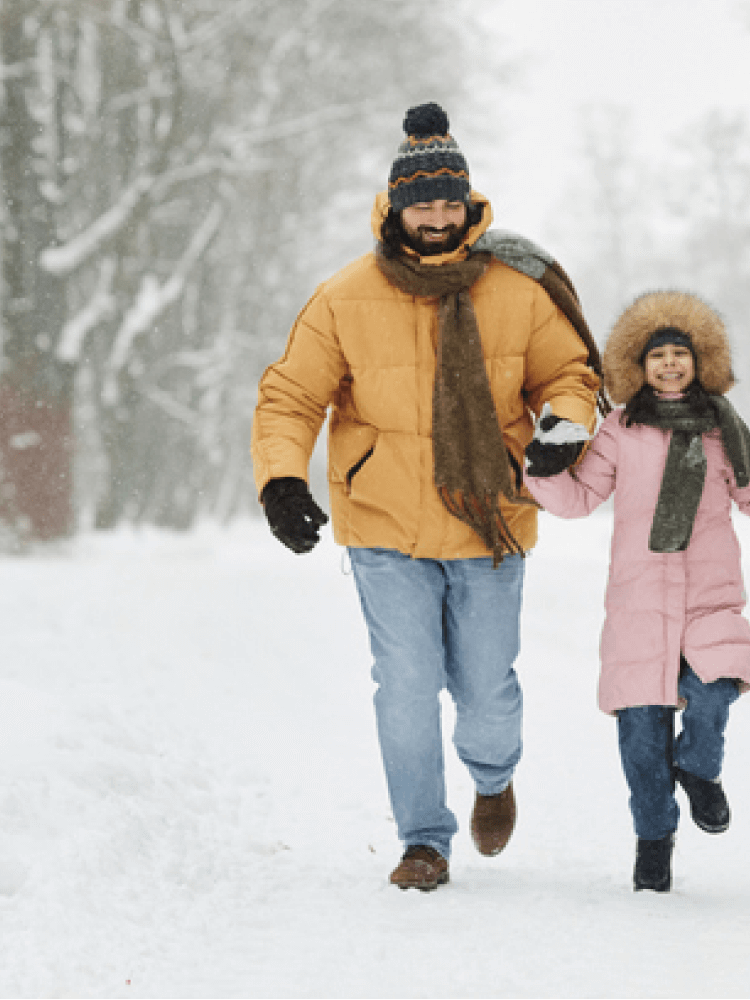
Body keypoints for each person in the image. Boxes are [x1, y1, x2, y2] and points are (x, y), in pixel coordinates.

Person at [251, 102, 607, 892]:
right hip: (383, 525)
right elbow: (289, 398)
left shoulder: (515, 289)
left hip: (490, 521)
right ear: (396, 205)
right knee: (405, 684)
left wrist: (563, 426)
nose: (437, 218)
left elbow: (571, 375)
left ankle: (491, 774)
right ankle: (422, 839)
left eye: (451, 204)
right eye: (424, 204)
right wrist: (281, 478)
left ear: (469, 205)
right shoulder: (344, 296)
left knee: (485, 692)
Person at [523, 289, 750, 893]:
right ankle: (653, 842)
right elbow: (579, 499)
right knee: (640, 738)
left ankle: (700, 768)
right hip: (639, 605)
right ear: (638, 365)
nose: (669, 364)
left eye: (679, 353)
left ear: (700, 360)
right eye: (657, 355)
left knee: (714, 692)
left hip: (710, 597)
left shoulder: (721, 429)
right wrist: (544, 469)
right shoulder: (620, 429)